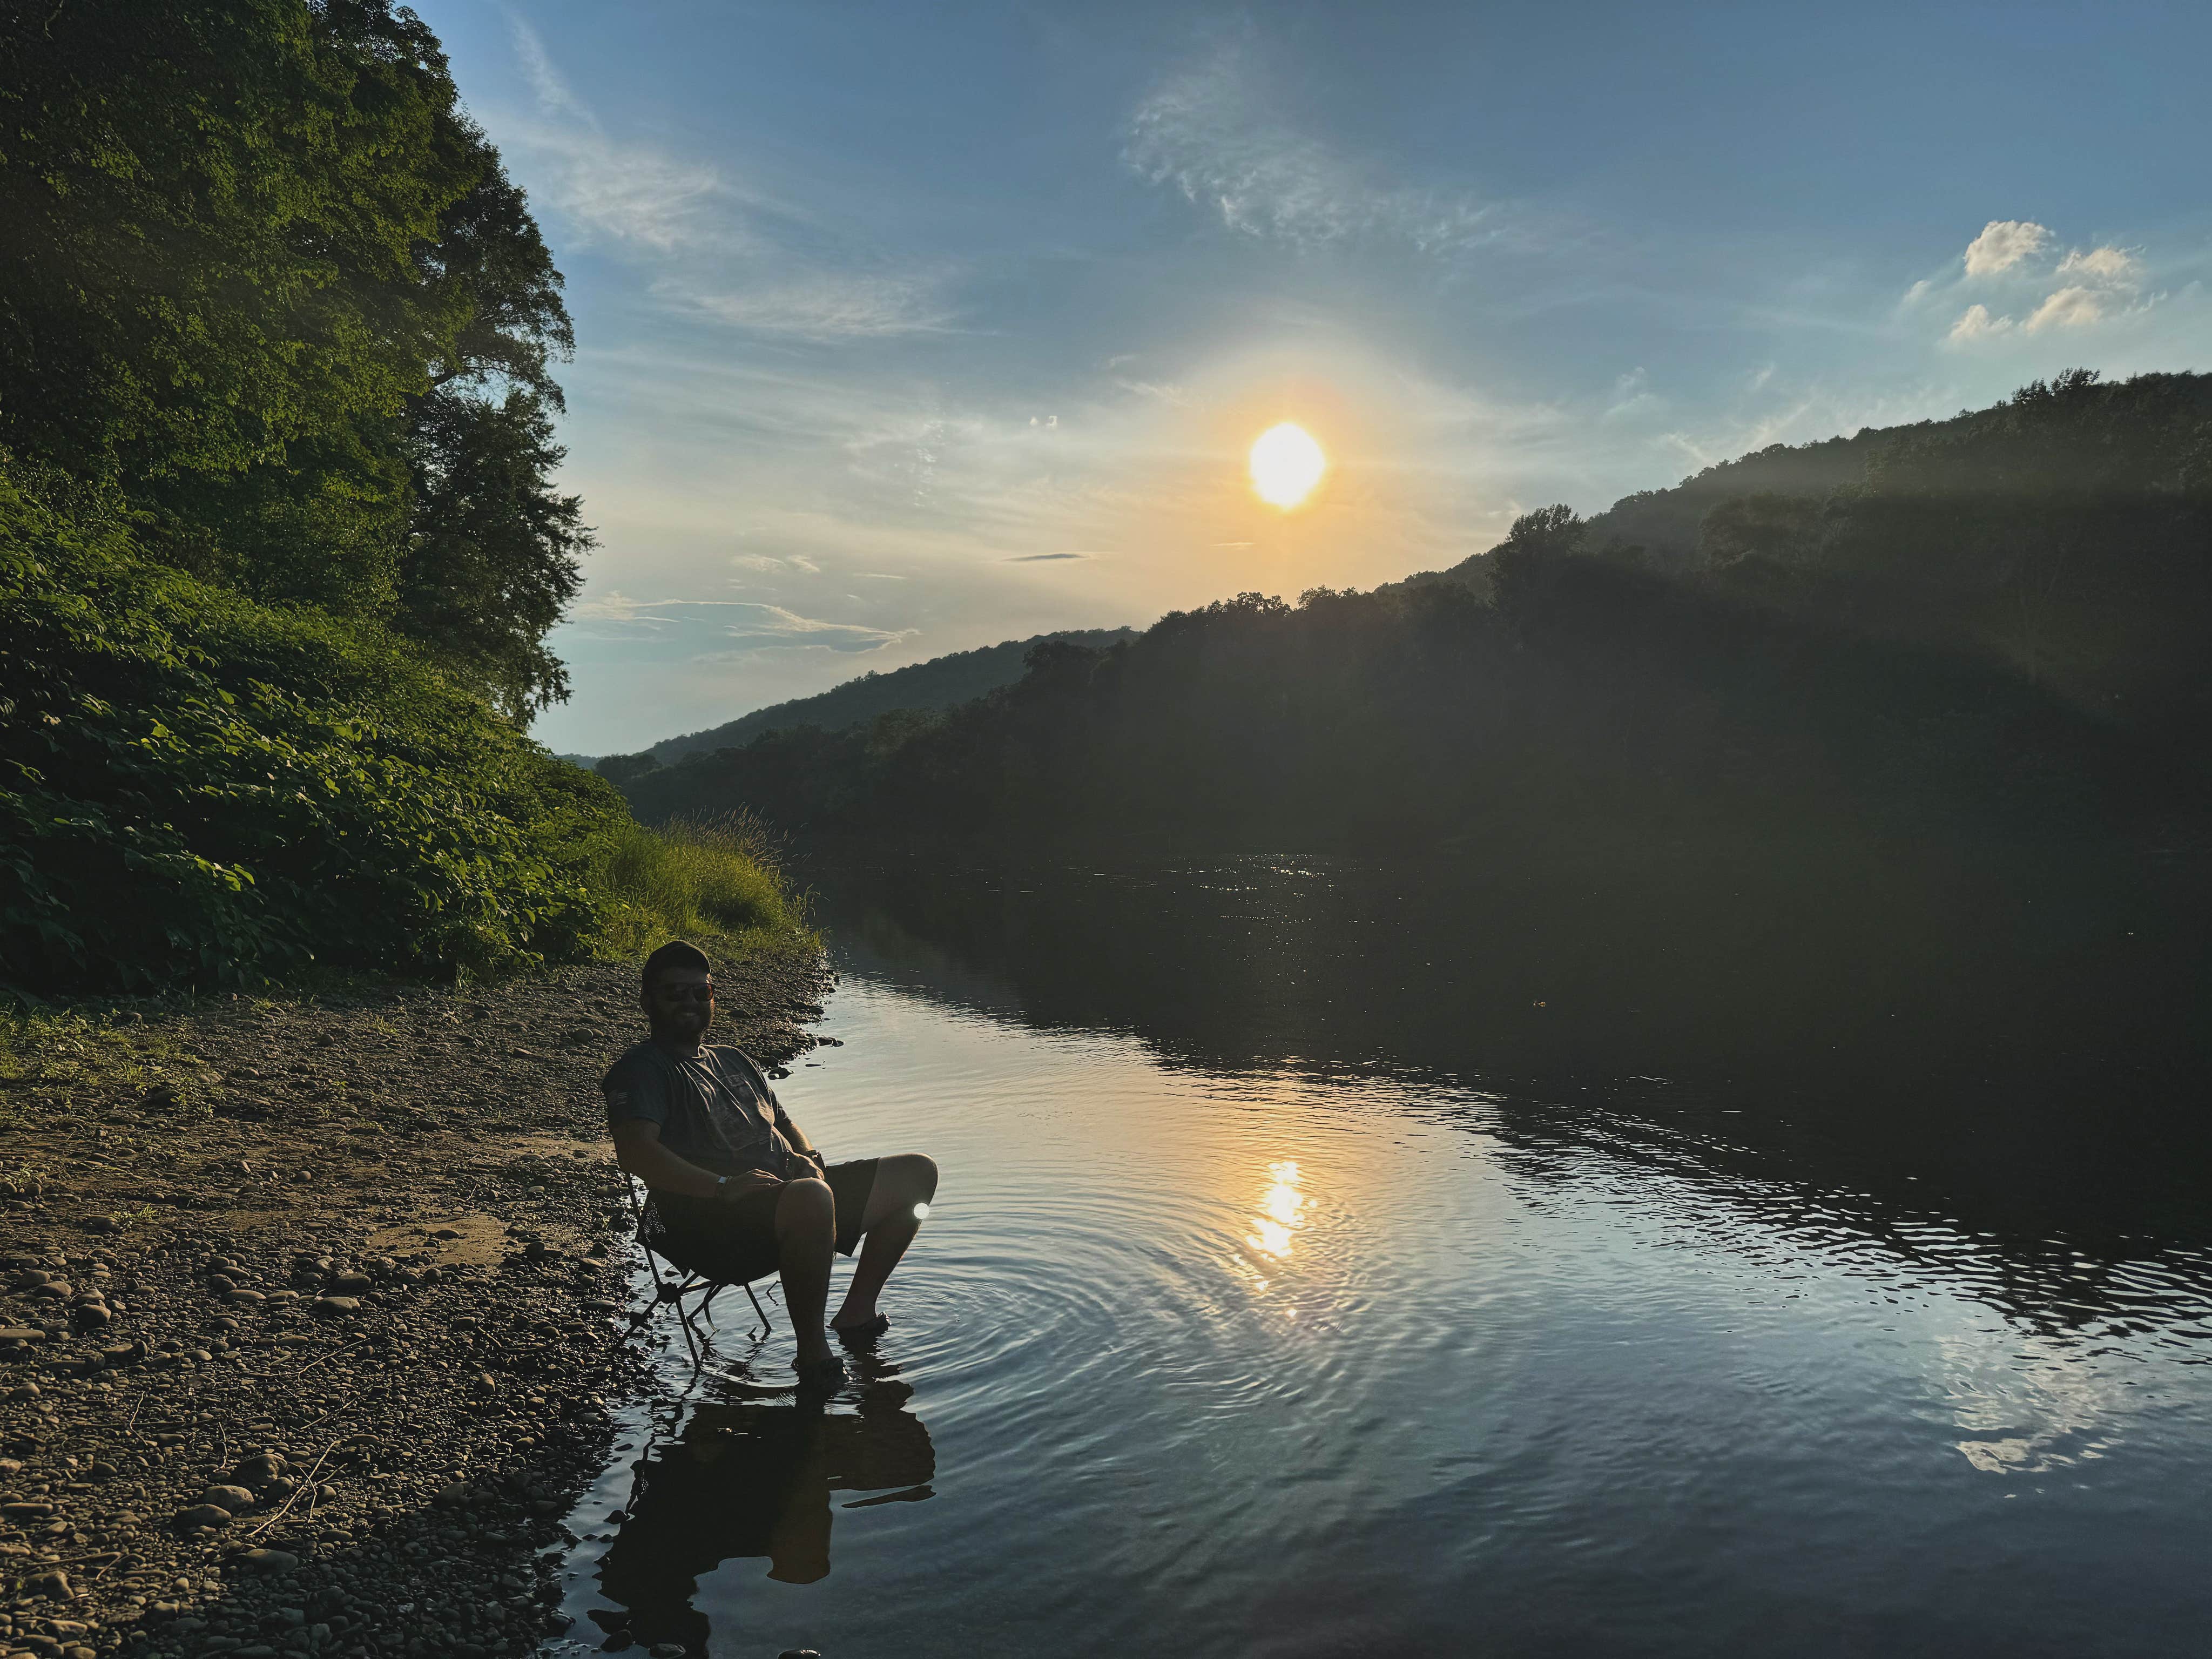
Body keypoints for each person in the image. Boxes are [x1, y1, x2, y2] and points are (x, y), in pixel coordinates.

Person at [604, 940, 938, 1387]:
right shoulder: (643, 1069)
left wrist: (807, 1156)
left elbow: (785, 1123)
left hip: (791, 1200)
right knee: (812, 1196)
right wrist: (723, 1186)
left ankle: (856, 1314)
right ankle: (813, 1356)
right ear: (648, 1001)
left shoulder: (733, 1059)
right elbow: (635, 1152)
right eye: (674, 993)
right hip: (712, 1221)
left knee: (917, 1173)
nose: (690, 1002)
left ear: (712, 997)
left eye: (700, 992)